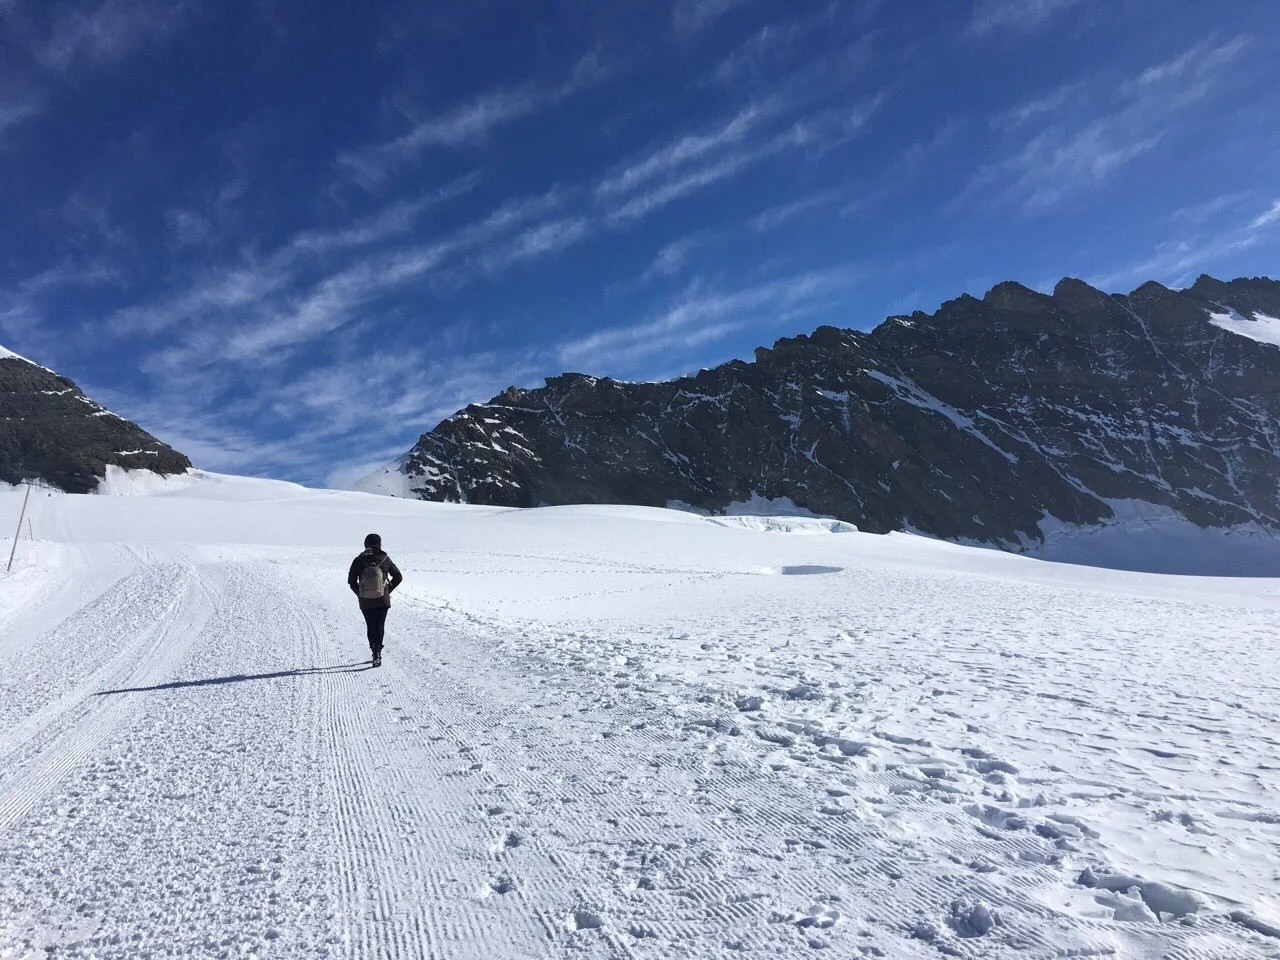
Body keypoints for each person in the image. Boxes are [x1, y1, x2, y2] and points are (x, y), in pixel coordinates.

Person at [347, 533, 403, 667]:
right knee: (379, 625)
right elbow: (398, 577)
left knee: (370, 625)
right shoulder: (384, 558)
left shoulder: (358, 560)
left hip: (365, 600)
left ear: (366, 544)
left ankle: (374, 650)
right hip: (382, 599)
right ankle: (378, 652)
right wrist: (387, 590)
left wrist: (361, 594)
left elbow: (351, 581)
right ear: (379, 543)